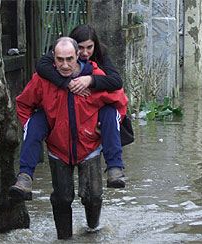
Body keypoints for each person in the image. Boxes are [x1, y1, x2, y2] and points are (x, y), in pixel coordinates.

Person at [15, 37, 129, 239]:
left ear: (78, 55)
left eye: (69, 59)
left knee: (93, 196)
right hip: (58, 147)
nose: (65, 65)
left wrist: (109, 127)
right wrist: (34, 130)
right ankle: (63, 238)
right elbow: (23, 104)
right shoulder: (43, 79)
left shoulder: (95, 76)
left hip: (89, 145)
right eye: (60, 60)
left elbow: (120, 103)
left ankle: (93, 231)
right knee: (61, 198)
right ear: (53, 58)